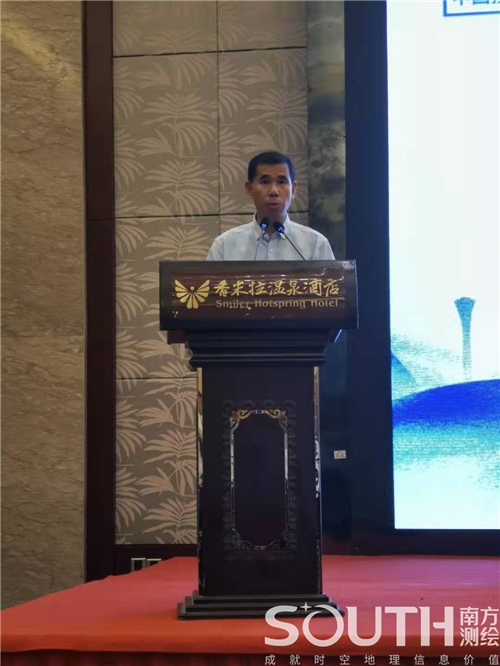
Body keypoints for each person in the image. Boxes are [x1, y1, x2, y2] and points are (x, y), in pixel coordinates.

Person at [206, 151, 335, 261]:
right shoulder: (224, 246)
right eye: (265, 182)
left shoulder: (315, 244)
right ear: (249, 189)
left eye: (282, 182)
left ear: (293, 190)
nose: (274, 191)